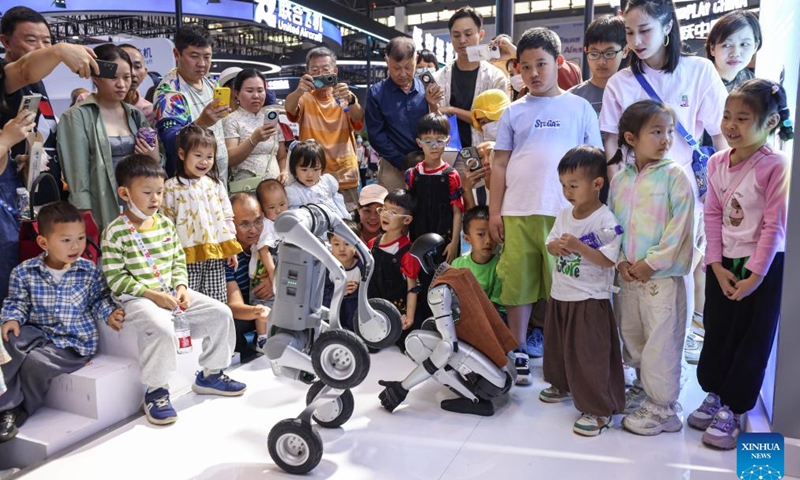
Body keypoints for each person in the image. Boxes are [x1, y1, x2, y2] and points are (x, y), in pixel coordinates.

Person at [599, 0, 729, 370]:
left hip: (681, 190)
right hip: (631, 194)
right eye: (629, 32)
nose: (636, 40)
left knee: (676, 275)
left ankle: (669, 363)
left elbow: (720, 137)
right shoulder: (620, 82)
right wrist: (619, 189)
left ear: (668, 27)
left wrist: (721, 194)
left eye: (645, 30)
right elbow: (611, 141)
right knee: (631, 279)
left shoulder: (699, 72)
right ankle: (638, 366)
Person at [488, 27, 602, 386]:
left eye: (541, 64)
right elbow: (500, 164)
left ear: (559, 63)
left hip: (566, 215)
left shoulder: (579, 107)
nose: (534, 73)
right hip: (518, 211)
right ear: (517, 69)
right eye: (525, 67)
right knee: (518, 284)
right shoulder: (513, 112)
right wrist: (494, 212)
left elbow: (595, 162)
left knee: (564, 286)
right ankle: (517, 349)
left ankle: (562, 351)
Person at [101, 155, 244, 426]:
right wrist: (153, 295)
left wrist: (181, 286)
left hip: (171, 291)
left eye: (159, 192)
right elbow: (116, 278)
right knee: (162, 329)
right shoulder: (115, 231)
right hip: (138, 299)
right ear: (124, 193)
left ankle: (211, 374)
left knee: (220, 312)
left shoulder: (165, 223)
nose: (155, 199)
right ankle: (156, 391)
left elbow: (178, 259)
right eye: (147, 192)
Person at [688, 80, 791, 450]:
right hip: (723, 264)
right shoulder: (717, 161)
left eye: (743, 118)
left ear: (771, 121)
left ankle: (734, 407)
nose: (731, 125)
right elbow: (711, 214)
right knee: (717, 331)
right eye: (727, 116)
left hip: (761, 267)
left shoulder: (776, 166)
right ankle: (714, 393)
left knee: (752, 337)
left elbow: (774, 225)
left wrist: (755, 277)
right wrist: (714, 264)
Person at [606, 100, 695, 436]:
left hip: (662, 278)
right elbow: (612, 225)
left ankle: (664, 408)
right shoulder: (620, 180)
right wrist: (621, 261)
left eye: (669, 131)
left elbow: (681, 229)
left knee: (662, 341)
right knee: (632, 335)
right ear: (631, 137)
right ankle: (645, 388)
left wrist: (651, 263)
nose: (665, 139)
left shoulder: (675, 176)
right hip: (627, 275)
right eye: (656, 131)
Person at [0, 202, 121, 443]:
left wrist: (109, 313)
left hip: (71, 343)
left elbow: (99, 299)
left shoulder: (89, 272)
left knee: (35, 362)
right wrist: (11, 318)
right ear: (44, 243)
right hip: (37, 332)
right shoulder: (24, 272)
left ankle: (23, 409)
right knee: (7, 341)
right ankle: (7, 407)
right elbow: (17, 302)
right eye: (66, 240)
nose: (76, 246)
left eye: (80, 238)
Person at [540, 146, 625, 437]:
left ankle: (599, 410)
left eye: (573, 185)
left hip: (589, 298)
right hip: (561, 293)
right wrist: (558, 246)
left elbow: (607, 260)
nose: (567, 191)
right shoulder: (565, 214)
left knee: (589, 355)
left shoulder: (605, 220)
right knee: (559, 346)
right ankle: (562, 385)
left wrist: (578, 246)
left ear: (597, 184)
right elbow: (550, 245)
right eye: (563, 185)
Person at [58, 43, 159, 230]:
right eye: (113, 77)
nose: (121, 84)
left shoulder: (135, 115)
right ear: (96, 77)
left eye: (127, 77)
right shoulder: (77, 116)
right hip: (101, 205)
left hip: (138, 204)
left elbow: (155, 163)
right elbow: (77, 173)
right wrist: (85, 216)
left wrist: (152, 155)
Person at [161, 125, 242, 304]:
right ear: (182, 154)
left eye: (209, 157)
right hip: (184, 257)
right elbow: (166, 223)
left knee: (217, 302)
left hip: (214, 254)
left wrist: (231, 248)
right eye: (198, 156)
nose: (204, 162)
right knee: (188, 303)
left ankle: (214, 333)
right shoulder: (171, 187)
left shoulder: (215, 184)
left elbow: (227, 216)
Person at [284, 47, 363, 210]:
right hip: (312, 178)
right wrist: (299, 90)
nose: (320, 74)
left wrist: (351, 100)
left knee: (349, 228)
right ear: (308, 73)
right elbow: (290, 109)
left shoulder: (344, 97)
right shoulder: (304, 98)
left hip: (345, 177)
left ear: (334, 71)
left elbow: (358, 121)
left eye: (325, 69)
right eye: (315, 70)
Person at [365, 36, 441, 191]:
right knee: (396, 210)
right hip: (393, 166)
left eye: (408, 67)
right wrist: (402, 162)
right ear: (387, 61)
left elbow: (439, 124)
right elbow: (376, 135)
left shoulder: (427, 88)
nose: (403, 73)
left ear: (416, 59)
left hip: (428, 162)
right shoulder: (376, 94)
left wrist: (434, 105)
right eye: (396, 68)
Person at [155, 24, 231, 178]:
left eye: (207, 56)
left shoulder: (211, 84)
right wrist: (201, 122)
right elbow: (171, 142)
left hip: (218, 179)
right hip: (188, 185)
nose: (202, 63)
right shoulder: (169, 93)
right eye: (194, 56)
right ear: (177, 54)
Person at [433, 7, 509, 149]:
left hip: (484, 157)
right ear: (450, 37)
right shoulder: (438, 78)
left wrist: (451, 110)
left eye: (468, 34)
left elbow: (495, 123)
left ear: (480, 35)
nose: (462, 40)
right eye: (456, 35)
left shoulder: (495, 78)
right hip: (447, 158)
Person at [404, 113, 464, 262]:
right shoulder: (413, 174)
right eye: (428, 141)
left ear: (447, 141)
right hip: (417, 239)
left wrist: (454, 242)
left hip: (444, 241)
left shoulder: (452, 175)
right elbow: (406, 209)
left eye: (439, 141)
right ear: (419, 143)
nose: (434, 146)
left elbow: (457, 212)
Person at [367, 189, 421, 349]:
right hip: (375, 308)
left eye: (393, 212)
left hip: (399, 311)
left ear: (407, 220)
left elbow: (413, 287)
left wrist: (409, 317)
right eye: (384, 209)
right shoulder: (372, 244)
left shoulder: (407, 252)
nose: (385, 215)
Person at [225, 193, 271, 363]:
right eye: (244, 224)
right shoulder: (228, 257)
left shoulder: (272, 245)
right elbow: (234, 307)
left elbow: (294, 282)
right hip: (248, 315)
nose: (253, 229)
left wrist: (276, 279)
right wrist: (259, 312)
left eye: (258, 221)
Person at [223, 69, 288, 186]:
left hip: (274, 189)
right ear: (237, 94)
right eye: (249, 91)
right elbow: (230, 159)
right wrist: (254, 140)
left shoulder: (272, 121)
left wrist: (284, 171)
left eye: (260, 90)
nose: (256, 96)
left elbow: (282, 156)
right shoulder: (231, 120)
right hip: (246, 191)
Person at [451, 206, 504, 319]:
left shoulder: (500, 266)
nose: (488, 241)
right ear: (467, 239)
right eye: (481, 234)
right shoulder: (457, 265)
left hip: (491, 317)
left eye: (492, 234)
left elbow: (494, 305)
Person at [568, 14, 627, 116]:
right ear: (586, 51)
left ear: (625, 51)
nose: (601, 62)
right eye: (594, 54)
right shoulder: (572, 98)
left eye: (609, 53)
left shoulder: (635, 92)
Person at [251, 178, 289, 315]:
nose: (279, 210)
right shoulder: (267, 225)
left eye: (282, 204)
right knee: (264, 305)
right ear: (262, 209)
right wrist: (273, 273)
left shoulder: (289, 221)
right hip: (264, 274)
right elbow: (263, 250)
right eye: (272, 207)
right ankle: (262, 336)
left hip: (282, 275)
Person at [285, 140, 350, 219]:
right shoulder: (294, 192)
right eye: (304, 169)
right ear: (294, 168)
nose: (310, 175)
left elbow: (339, 203)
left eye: (316, 169)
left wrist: (347, 220)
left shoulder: (327, 182)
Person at [705, 10, 762, 93]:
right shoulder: (699, 81)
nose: (735, 54)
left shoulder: (749, 82)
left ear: (755, 47)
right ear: (712, 48)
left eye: (744, 44)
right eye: (726, 45)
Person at [325, 219, 363, 331]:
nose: (341, 249)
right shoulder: (327, 267)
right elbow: (322, 295)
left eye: (347, 243)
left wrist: (357, 290)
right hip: (334, 313)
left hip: (355, 317)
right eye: (336, 244)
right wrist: (340, 291)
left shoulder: (362, 267)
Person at [119, 44, 155, 126]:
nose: (132, 73)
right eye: (125, 66)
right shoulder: (88, 102)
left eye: (137, 67)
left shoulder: (150, 112)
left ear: (145, 72)